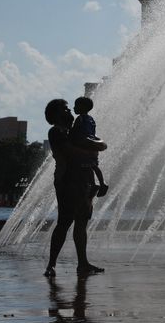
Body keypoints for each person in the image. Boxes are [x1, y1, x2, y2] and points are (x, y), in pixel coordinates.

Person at [43, 99, 107, 277]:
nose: (69, 111)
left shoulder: (74, 131)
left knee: (81, 222)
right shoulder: (56, 132)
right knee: (64, 221)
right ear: (55, 115)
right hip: (67, 181)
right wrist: (95, 150)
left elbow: (99, 144)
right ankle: (51, 265)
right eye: (64, 109)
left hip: (85, 179)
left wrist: (98, 147)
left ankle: (83, 264)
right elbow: (71, 152)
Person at [70, 96, 108, 198]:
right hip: (93, 146)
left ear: (82, 107)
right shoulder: (91, 119)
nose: (74, 108)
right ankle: (102, 183)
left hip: (85, 146)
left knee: (87, 166)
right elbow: (93, 132)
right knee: (93, 166)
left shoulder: (80, 118)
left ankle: (94, 184)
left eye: (76, 106)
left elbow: (75, 131)